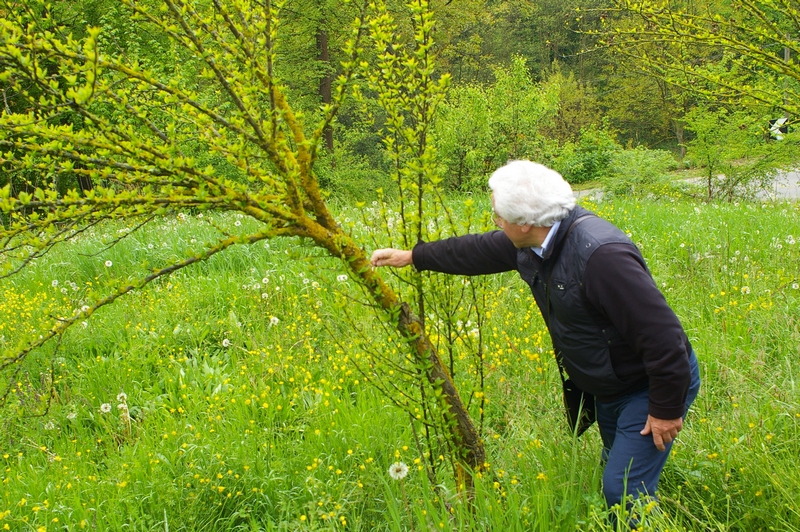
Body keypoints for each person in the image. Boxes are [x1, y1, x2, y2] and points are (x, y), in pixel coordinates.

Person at [370, 160, 701, 513]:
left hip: (646, 385)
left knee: (622, 489)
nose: (495, 221)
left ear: (524, 223)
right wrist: (413, 256)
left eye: (498, 215)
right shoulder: (536, 240)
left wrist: (665, 409)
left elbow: (665, 338)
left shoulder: (602, 256)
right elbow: (477, 250)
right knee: (617, 464)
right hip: (609, 384)